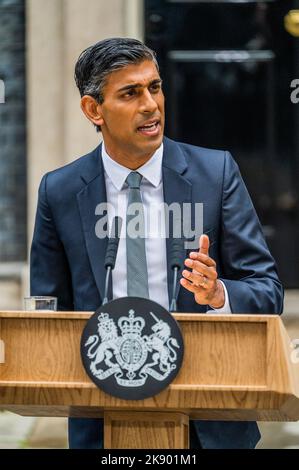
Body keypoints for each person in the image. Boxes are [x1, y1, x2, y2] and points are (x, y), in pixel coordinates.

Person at [30, 37, 283, 449]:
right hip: (103, 416)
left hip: (209, 417)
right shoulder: (59, 192)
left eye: (155, 87)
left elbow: (268, 291)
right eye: (130, 93)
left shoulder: (215, 174)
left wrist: (217, 293)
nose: (150, 104)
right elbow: (47, 311)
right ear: (94, 109)